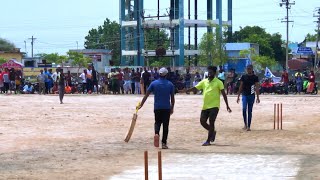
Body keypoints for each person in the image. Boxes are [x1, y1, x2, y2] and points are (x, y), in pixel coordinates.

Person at [186, 66, 232, 146]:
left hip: (214, 106)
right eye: (209, 72)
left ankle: (208, 140)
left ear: (215, 73)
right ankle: (212, 131)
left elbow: (224, 94)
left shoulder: (218, 82)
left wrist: (227, 105)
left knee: (211, 122)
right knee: (202, 121)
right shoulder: (204, 81)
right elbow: (195, 88)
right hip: (205, 106)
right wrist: (187, 90)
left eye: (211, 72)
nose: (209, 74)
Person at [138, 67, 175, 149]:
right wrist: (172, 108)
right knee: (166, 125)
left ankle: (156, 133)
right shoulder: (170, 84)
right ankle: (164, 143)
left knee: (157, 122)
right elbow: (172, 98)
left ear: (159, 74)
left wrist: (141, 104)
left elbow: (146, 95)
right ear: (166, 75)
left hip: (157, 107)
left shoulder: (154, 83)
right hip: (166, 107)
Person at [237, 65, 260, 131]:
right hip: (244, 95)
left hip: (251, 95)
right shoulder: (243, 77)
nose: (248, 70)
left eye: (249, 69)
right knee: (244, 109)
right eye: (247, 69)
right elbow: (241, 86)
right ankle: (245, 124)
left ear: (252, 69)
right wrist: (238, 96)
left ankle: (249, 126)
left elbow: (257, 87)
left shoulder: (255, 77)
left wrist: (258, 97)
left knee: (249, 111)